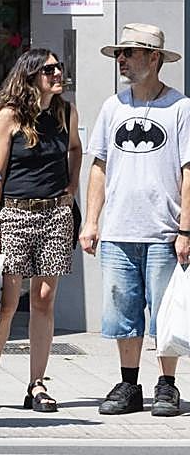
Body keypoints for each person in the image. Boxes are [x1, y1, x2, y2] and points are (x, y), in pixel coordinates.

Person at [80, 23, 190, 417]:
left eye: (129, 53)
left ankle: (167, 385)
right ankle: (129, 384)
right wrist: (91, 221)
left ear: (154, 57)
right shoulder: (113, 106)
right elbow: (99, 166)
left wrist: (186, 228)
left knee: (165, 314)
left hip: (164, 230)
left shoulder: (180, 107)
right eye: (119, 53)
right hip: (118, 230)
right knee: (122, 315)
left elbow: (189, 171)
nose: (121, 60)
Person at [0, 49, 81, 413]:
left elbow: (76, 148)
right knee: (6, 302)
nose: (57, 73)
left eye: (58, 67)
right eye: (49, 69)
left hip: (55, 214)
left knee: (44, 299)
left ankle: (37, 383)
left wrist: (72, 185)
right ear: (31, 75)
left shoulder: (66, 112)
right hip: (15, 213)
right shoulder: (10, 116)